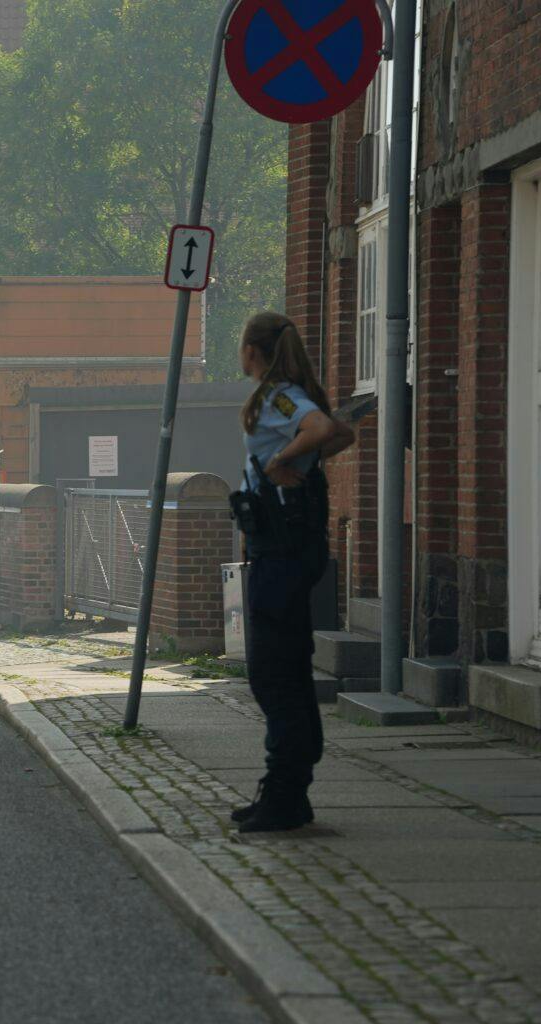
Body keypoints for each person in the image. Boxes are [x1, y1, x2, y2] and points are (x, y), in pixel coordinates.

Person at [230, 312, 354, 834]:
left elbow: (325, 428)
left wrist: (285, 456)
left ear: (252, 351)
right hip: (287, 554)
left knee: (273, 674)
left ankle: (283, 795)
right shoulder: (289, 392)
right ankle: (289, 789)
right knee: (288, 672)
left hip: (278, 557)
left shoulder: (278, 396)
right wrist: (300, 462)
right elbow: (340, 433)